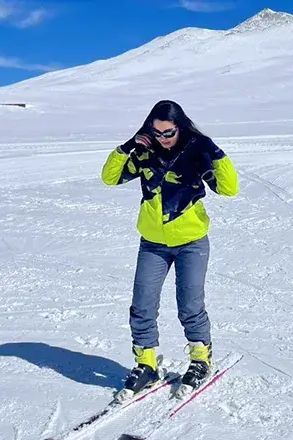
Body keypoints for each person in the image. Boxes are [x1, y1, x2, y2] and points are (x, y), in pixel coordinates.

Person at [100, 100, 239, 396]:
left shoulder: (196, 154)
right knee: (142, 305)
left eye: (169, 132)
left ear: (180, 127)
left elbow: (229, 188)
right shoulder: (145, 153)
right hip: (153, 243)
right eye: (157, 132)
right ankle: (147, 364)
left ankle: (200, 360)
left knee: (190, 306)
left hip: (191, 242)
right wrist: (126, 147)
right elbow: (109, 178)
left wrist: (215, 151)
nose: (163, 138)